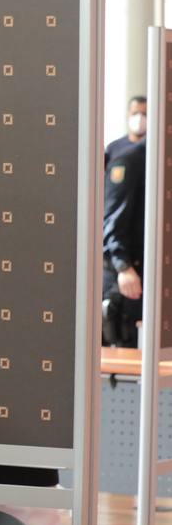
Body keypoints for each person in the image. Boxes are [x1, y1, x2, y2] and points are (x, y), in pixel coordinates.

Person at [103, 95, 148, 347]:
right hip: (126, 274)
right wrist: (123, 267)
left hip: (147, 272)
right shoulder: (128, 158)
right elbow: (112, 219)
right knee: (123, 349)